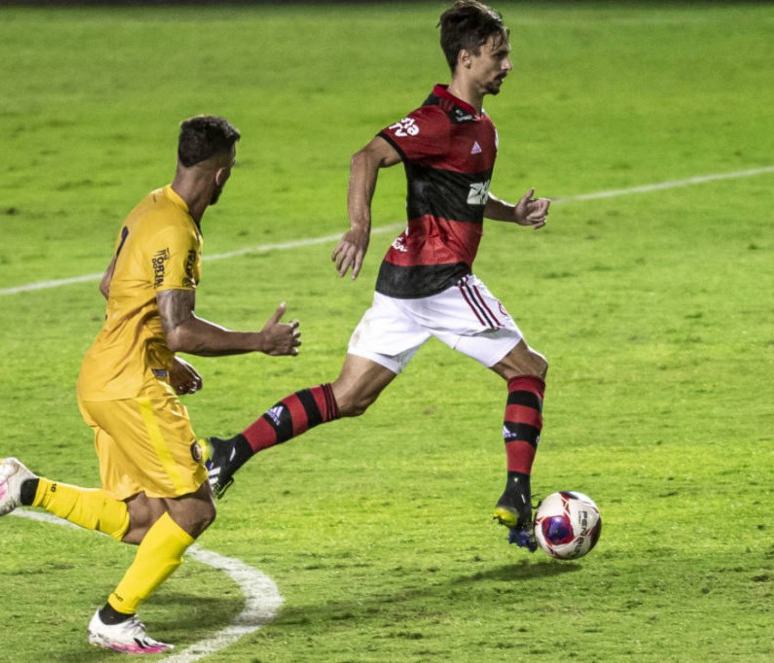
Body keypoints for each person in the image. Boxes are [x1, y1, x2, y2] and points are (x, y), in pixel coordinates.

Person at [202, 0, 550, 551]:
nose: (508, 65)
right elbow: (365, 157)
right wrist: (358, 226)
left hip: (403, 284)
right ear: (465, 58)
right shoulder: (437, 120)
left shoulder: (479, 125)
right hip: (439, 278)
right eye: (498, 55)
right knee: (529, 370)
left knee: (349, 397)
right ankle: (517, 497)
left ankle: (231, 451)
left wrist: (514, 214)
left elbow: (467, 196)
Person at [0, 115, 301, 654]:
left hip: (102, 375)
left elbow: (109, 285)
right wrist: (259, 341)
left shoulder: (152, 205)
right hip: (131, 387)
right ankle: (114, 617)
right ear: (219, 175)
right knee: (194, 509)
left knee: (145, 519)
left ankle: (24, 487)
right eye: (230, 169)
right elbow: (181, 328)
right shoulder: (178, 231)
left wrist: (163, 359)